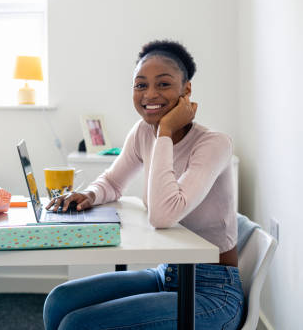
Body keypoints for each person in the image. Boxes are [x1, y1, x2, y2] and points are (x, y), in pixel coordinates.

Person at [43, 40, 243, 330]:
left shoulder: (213, 144)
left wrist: (165, 131)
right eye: (140, 85)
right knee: (59, 300)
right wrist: (89, 194)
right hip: (169, 274)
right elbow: (112, 181)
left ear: (186, 90)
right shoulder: (142, 132)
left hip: (213, 293)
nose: (150, 94)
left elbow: (163, 215)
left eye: (163, 84)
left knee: (78, 325)